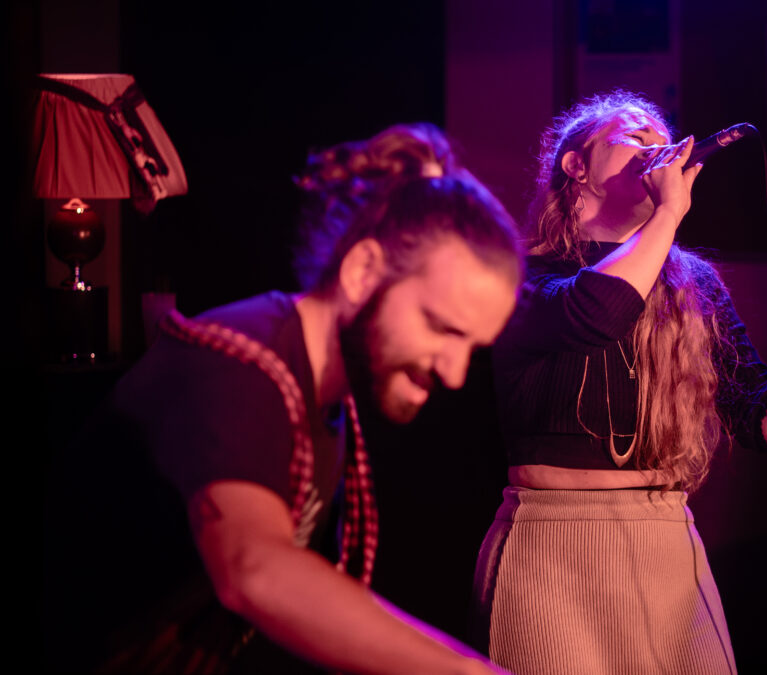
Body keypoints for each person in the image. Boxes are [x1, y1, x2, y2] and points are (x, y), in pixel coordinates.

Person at [470, 91, 767, 675]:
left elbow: (760, 417)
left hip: (664, 539)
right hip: (550, 544)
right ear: (576, 165)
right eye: (634, 136)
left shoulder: (695, 284)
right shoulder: (522, 273)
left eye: (663, 139)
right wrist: (668, 215)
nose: (657, 148)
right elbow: (595, 313)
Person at [45, 123, 522, 674]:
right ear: (363, 272)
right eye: (441, 327)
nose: (455, 373)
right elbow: (253, 568)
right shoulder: (237, 364)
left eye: (472, 347)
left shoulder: (319, 394)